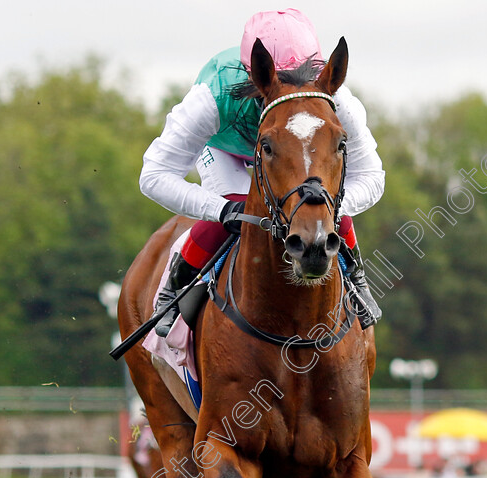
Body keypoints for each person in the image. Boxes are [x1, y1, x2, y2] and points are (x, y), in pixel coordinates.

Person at [139, 9, 385, 336]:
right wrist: (221, 209)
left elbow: (371, 176)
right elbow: (154, 175)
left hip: (293, 156)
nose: (292, 92)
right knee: (239, 203)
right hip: (224, 150)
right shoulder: (211, 98)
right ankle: (174, 287)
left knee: (320, 202)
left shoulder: (334, 96)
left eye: (303, 75)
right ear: (255, 73)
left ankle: (356, 278)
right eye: (281, 81)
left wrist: (330, 206)